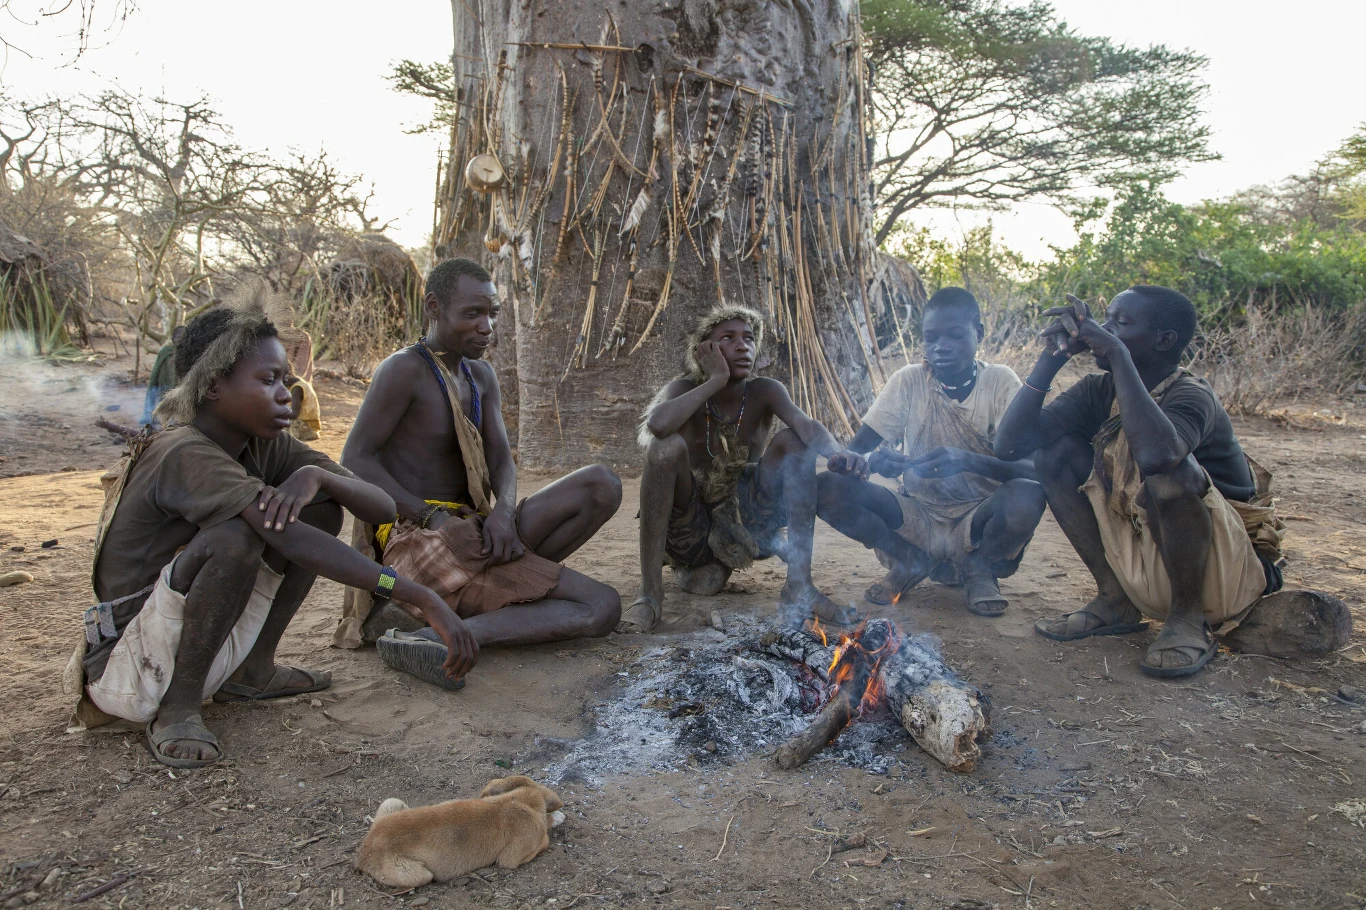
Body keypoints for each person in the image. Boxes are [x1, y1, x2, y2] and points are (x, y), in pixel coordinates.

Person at [71, 291, 473, 768]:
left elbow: (383, 508)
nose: (288, 393)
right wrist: (424, 597)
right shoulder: (182, 451)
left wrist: (320, 476)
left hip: (186, 641)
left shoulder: (266, 445)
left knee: (322, 509)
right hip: (129, 663)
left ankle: (252, 672)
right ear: (213, 386)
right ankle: (176, 711)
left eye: (287, 378)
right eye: (269, 380)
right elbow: (287, 538)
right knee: (236, 536)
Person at [338, 258, 622, 683]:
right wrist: (430, 516)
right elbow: (355, 458)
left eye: (492, 313)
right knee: (602, 607)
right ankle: (452, 636)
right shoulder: (403, 370)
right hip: (420, 536)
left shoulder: (481, 376)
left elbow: (501, 458)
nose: (486, 325)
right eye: (472, 314)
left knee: (602, 483)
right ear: (434, 307)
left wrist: (504, 512)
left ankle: (449, 623)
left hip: (475, 529)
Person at [994, 287, 1286, 678]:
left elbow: (1158, 458)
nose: (1104, 329)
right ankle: (1115, 599)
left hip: (1226, 573)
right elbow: (1010, 447)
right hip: (1152, 557)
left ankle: (1186, 620)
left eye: (1121, 323)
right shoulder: (1099, 391)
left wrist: (1116, 353)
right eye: (1107, 319)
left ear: (1164, 340)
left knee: (1170, 472)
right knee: (1054, 455)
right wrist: (1050, 360)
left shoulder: (1191, 395)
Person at [627, 303, 870, 633]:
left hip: (746, 521)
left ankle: (800, 586)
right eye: (728, 337)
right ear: (704, 350)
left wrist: (837, 452)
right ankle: (650, 596)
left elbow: (806, 425)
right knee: (665, 447)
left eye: (750, 338)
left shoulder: (765, 391)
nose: (743, 345)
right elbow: (657, 425)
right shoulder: (683, 390)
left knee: (794, 442)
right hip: (690, 526)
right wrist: (716, 380)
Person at [819, 287, 1046, 616]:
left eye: (955, 336)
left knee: (1028, 495)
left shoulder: (1000, 383)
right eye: (931, 338)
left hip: (980, 519)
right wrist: (871, 462)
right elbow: (859, 451)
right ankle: (908, 560)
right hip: (916, 518)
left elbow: (1034, 468)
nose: (942, 347)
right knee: (828, 488)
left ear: (978, 333)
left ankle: (979, 568)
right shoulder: (909, 381)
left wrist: (967, 460)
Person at [141, 325, 186, 426]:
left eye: (185, 337)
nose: (181, 341)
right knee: (162, 413)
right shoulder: (165, 352)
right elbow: (155, 372)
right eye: (179, 338)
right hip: (163, 387)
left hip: (181, 390)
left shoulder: (190, 354)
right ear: (172, 339)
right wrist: (153, 386)